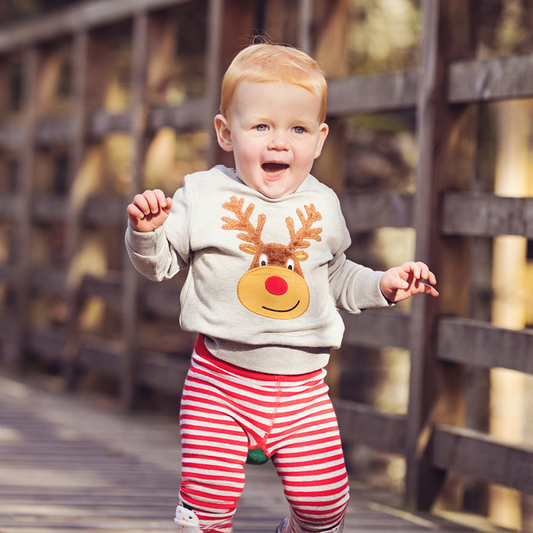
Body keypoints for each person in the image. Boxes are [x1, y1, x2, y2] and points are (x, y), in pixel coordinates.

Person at [125, 43, 438, 533]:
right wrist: (147, 233)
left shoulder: (323, 203)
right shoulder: (203, 196)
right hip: (220, 385)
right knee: (207, 509)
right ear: (226, 133)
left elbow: (333, 277)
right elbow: (160, 265)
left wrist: (382, 284)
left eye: (297, 128)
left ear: (319, 139)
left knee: (324, 507)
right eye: (261, 127)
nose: (279, 143)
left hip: (303, 392)